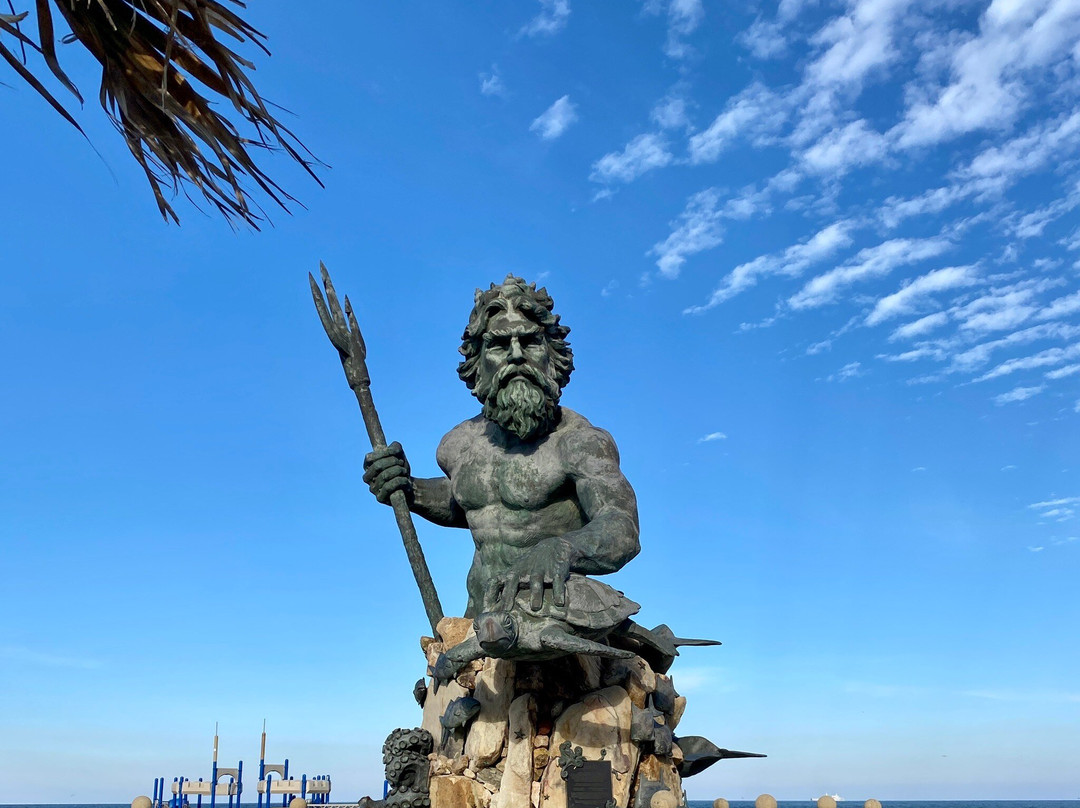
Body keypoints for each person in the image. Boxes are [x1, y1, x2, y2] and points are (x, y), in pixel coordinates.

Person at [363, 275, 640, 618]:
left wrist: (564, 547)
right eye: (498, 345)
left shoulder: (579, 442)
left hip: (552, 619)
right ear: (477, 362)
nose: (516, 355)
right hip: (480, 620)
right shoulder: (458, 445)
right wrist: (408, 490)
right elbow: (465, 504)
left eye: (530, 342)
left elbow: (620, 526)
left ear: (553, 356)